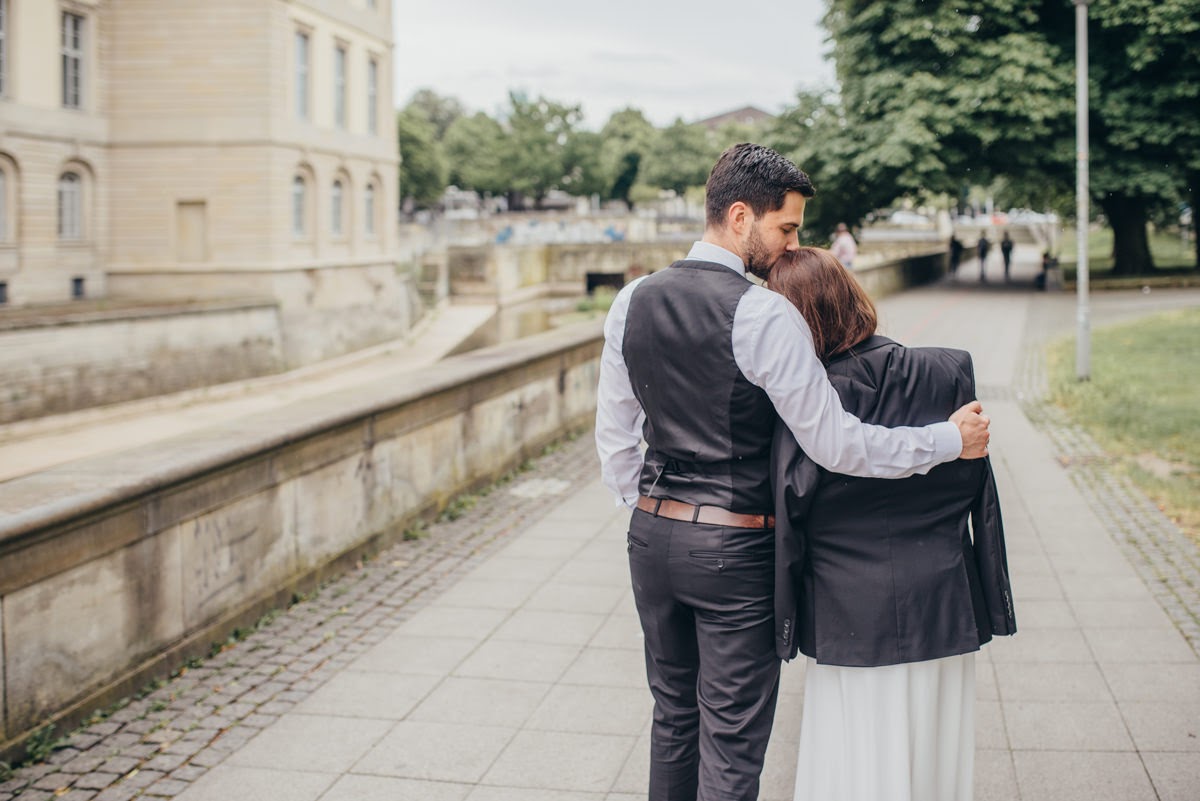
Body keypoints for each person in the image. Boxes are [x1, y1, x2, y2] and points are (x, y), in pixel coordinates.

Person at [594, 143, 992, 801]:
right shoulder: (761, 313)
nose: (790, 246)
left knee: (672, 717)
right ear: (742, 217)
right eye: (787, 228)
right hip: (732, 545)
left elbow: (615, 443)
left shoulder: (631, 300)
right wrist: (946, 439)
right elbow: (837, 443)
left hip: (651, 537)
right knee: (730, 740)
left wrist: (649, 510)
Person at [767, 247, 1017, 801]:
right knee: (935, 751)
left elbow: (792, 508)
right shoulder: (948, 368)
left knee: (856, 754)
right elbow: (980, 490)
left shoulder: (807, 399)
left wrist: (783, 624)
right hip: (943, 592)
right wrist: (991, 595)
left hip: (846, 604)